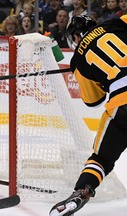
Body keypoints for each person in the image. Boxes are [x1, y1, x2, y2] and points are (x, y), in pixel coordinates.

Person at [49, 14, 127, 215]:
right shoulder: (115, 23)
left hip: (122, 105)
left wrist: (85, 70)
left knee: (101, 159)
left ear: (75, 38)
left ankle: (82, 190)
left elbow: (94, 100)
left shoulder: (78, 60)